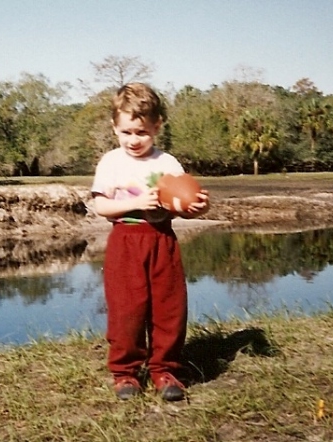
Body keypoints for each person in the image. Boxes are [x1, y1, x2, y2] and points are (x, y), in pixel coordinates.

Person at [91, 82, 209, 401]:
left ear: (156, 127)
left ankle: (165, 369)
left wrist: (197, 207)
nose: (134, 140)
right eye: (127, 132)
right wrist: (136, 202)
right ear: (115, 127)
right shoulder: (111, 162)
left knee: (169, 307)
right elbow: (101, 207)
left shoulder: (167, 163)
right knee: (126, 309)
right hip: (126, 241)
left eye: (141, 132)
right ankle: (125, 373)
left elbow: (182, 206)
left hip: (161, 240)